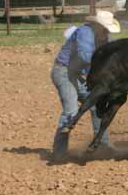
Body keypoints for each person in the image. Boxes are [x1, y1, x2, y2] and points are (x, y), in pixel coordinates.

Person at [51, 10, 121, 160]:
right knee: (71, 110)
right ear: (97, 25)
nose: (106, 32)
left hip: (76, 74)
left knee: (97, 106)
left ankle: (103, 144)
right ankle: (59, 152)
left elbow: (108, 53)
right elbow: (85, 55)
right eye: (105, 28)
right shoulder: (85, 32)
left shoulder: (102, 36)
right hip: (63, 72)